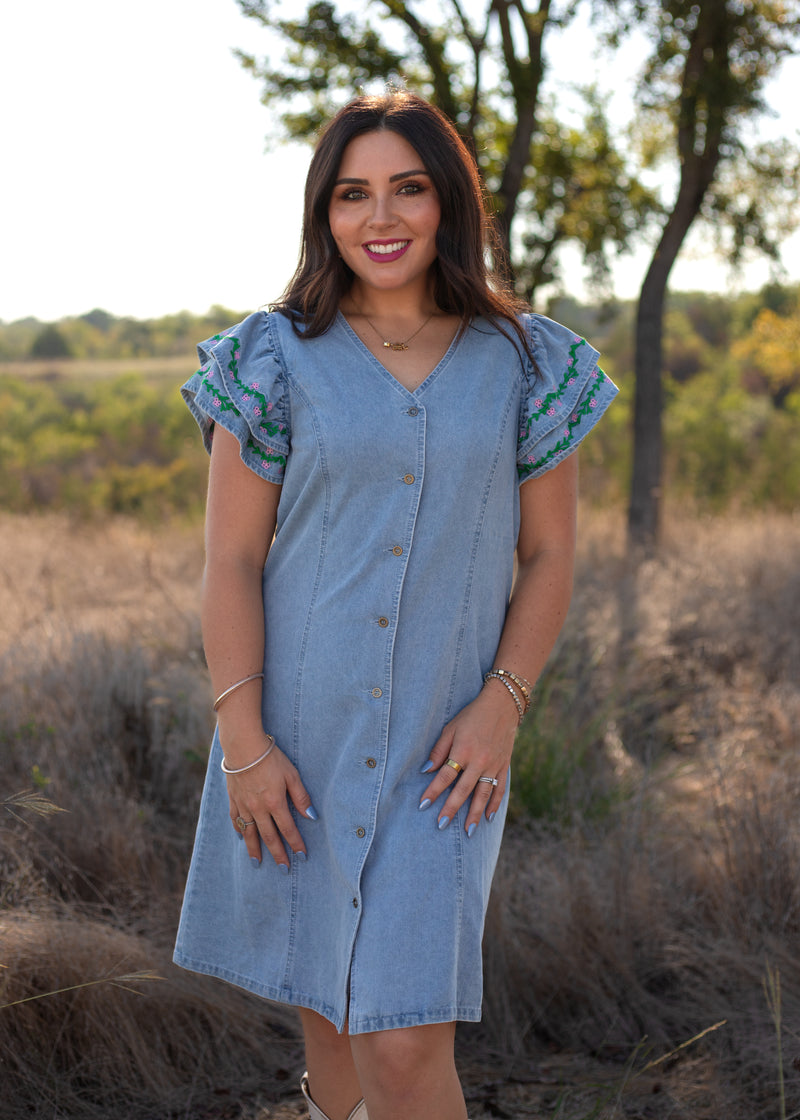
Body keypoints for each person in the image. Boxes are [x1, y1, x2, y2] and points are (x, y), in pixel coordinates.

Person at [174, 89, 617, 1120]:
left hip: (447, 754)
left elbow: (547, 554)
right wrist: (245, 741)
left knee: (406, 1044)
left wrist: (502, 705)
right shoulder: (270, 358)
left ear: (446, 201)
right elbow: (231, 562)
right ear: (321, 213)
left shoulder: (524, 362)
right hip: (293, 746)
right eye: (351, 194)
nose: (380, 218)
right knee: (327, 1021)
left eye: (406, 189)